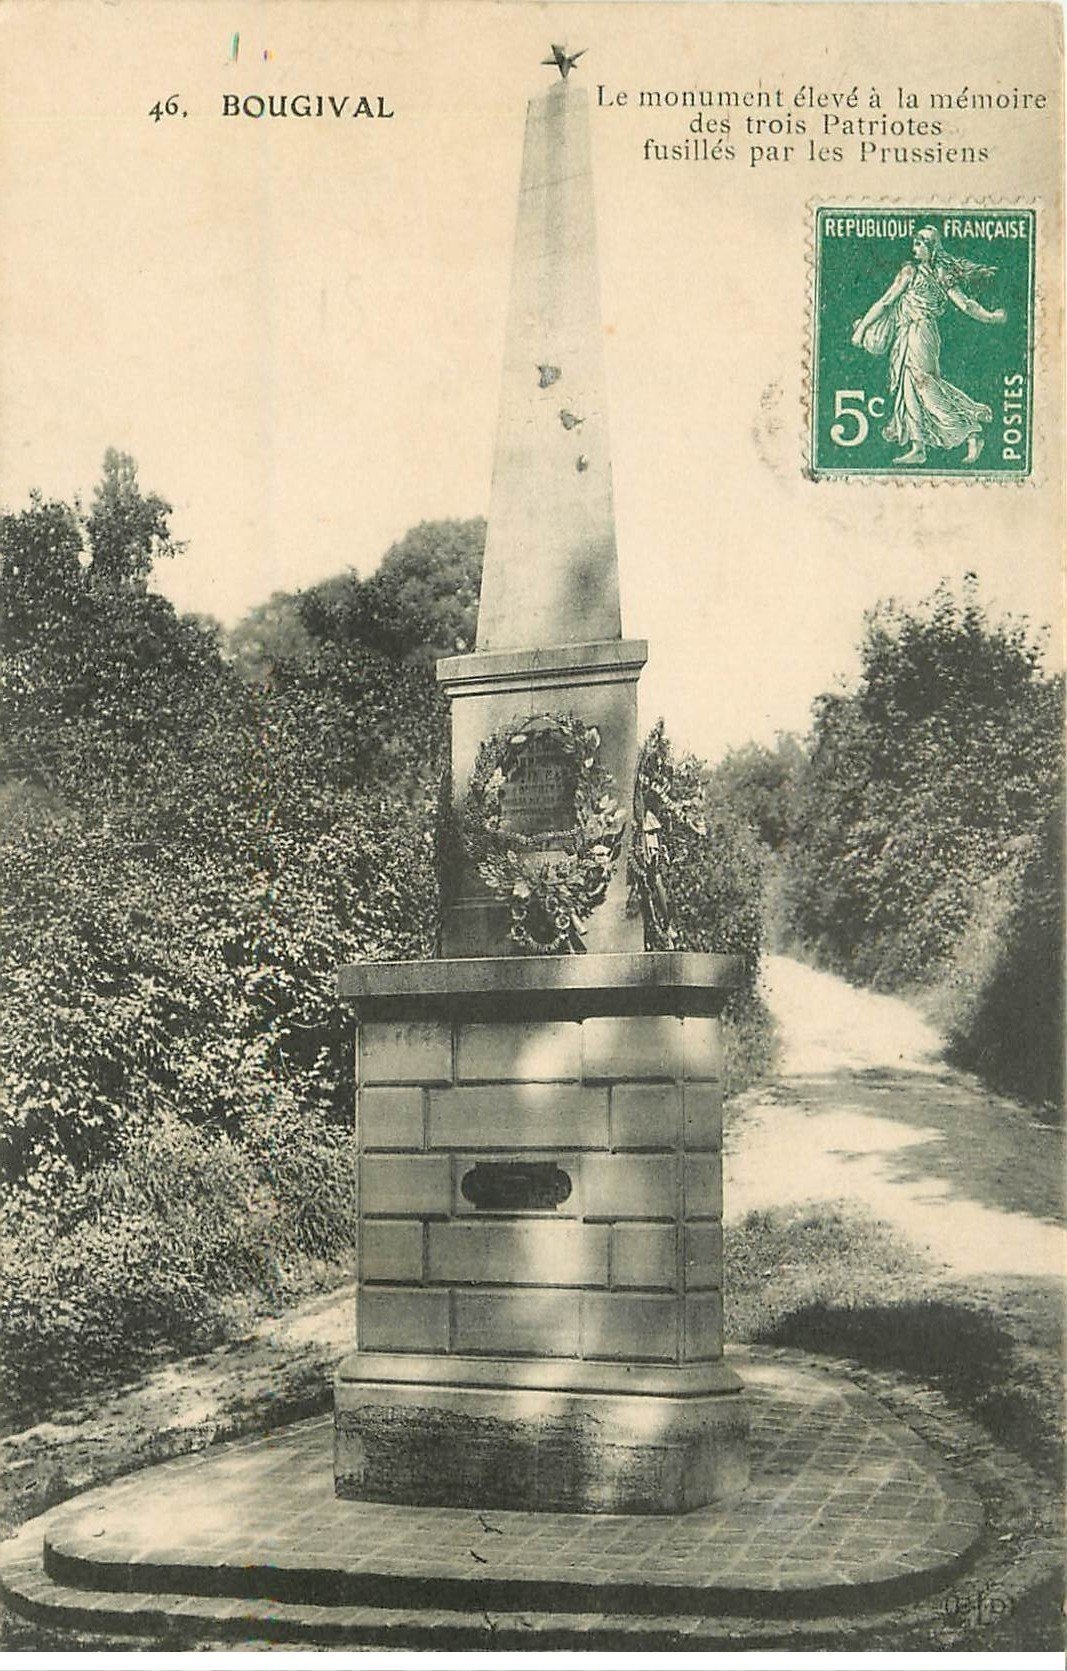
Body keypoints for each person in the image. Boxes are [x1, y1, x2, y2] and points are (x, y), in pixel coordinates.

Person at [851, 225, 1006, 464]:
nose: (915, 248)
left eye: (920, 243)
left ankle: (971, 431)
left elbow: (964, 304)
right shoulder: (915, 271)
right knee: (910, 386)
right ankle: (919, 446)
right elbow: (886, 302)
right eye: (914, 243)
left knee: (925, 385)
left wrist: (990, 317)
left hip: (921, 333)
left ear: (931, 247)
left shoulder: (930, 273)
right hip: (908, 333)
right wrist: (991, 317)